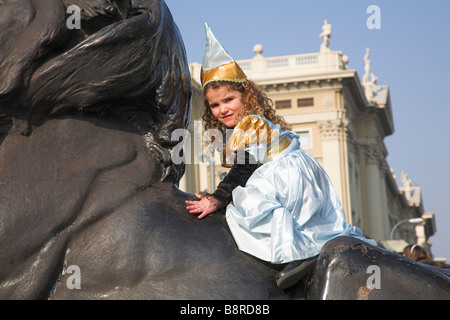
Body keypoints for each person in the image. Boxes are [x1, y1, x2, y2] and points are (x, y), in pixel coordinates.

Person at [185, 23, 377, 289]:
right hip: (293, 172)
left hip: (288, 173)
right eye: (215, 105)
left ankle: (294, 257)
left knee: (255, 201)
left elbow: (245, 166)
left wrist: (218, 198)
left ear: (246, 95)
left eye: (229, 100)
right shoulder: (243, 126)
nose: (222, 109)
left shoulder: (252, 123)